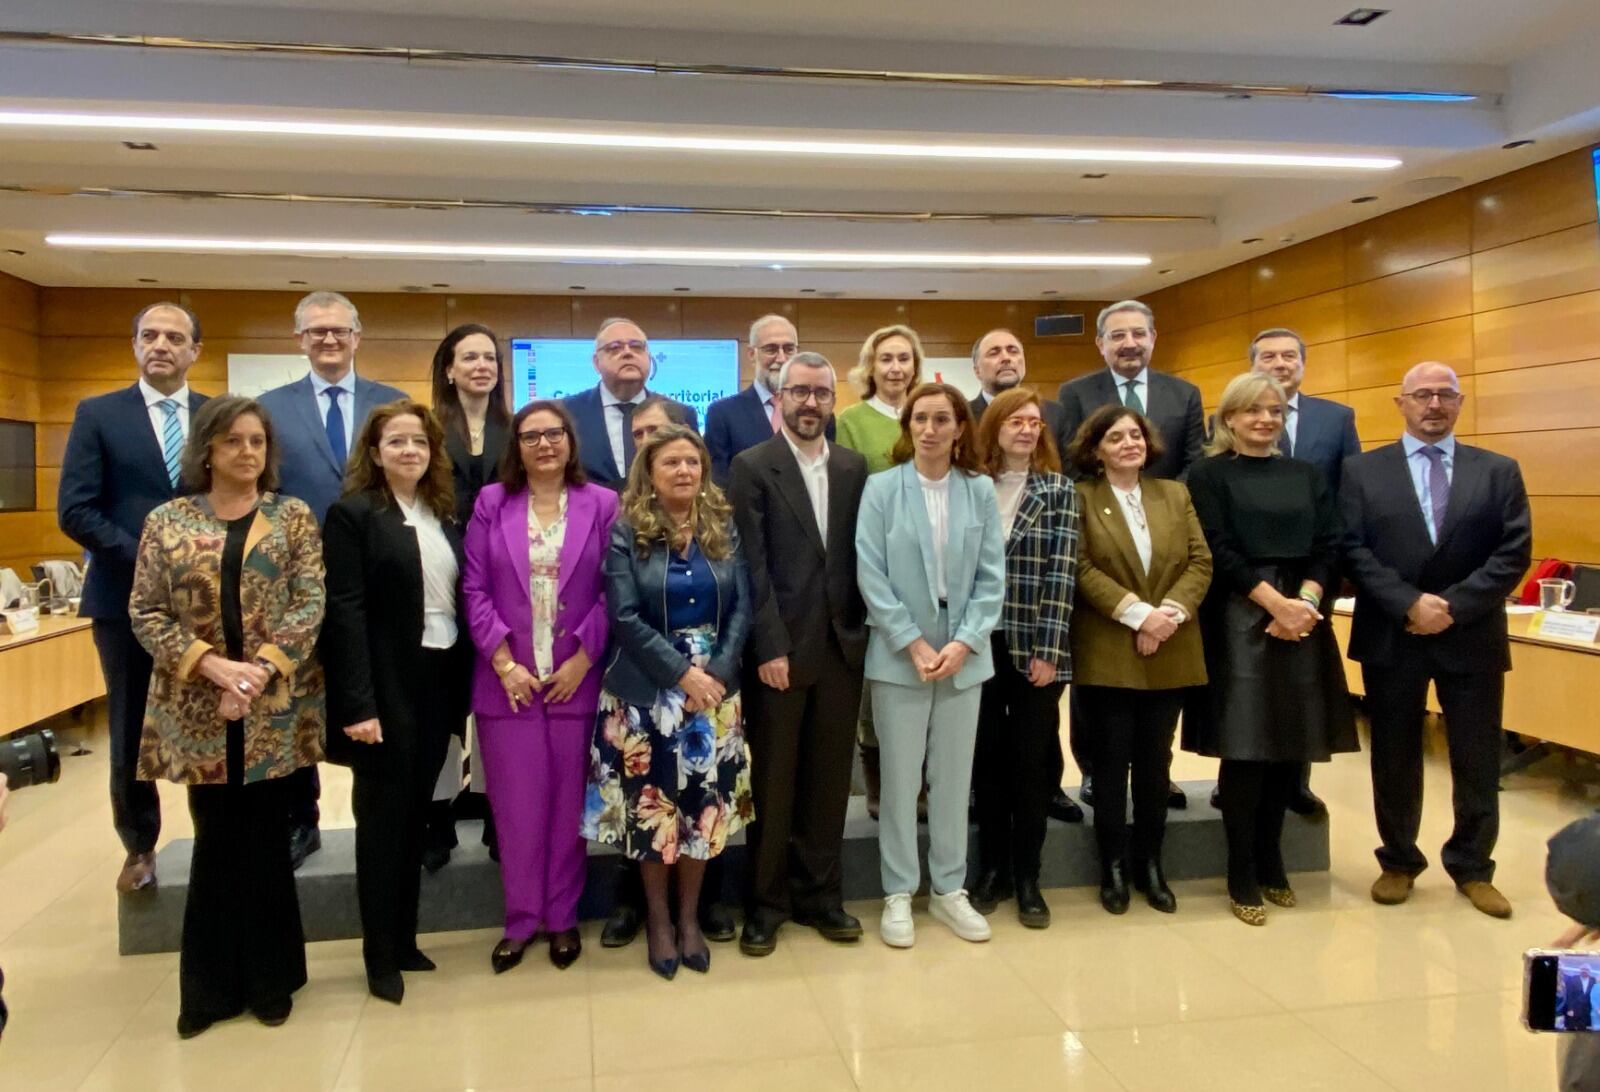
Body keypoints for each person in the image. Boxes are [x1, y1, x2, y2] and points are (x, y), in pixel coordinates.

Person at [128, 396, 325, 1038]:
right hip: (198, 707)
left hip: (271, 708)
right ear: (208, 449)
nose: (247, 452)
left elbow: (308, 602)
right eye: (234, 441)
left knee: (268, 844)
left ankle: (273, 983)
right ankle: (208, 991)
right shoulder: (168, 520)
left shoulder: (291, 516)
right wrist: (212, 666)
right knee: (215, 844)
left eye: (257, 442)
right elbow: (146, 611)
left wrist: (259, 670)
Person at [1340, 361, 1531, 919]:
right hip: (1391, 632)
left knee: (1476, 756)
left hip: (1470, 633)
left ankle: (1473, 866)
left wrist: (1453, 607)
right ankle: (1398, 861)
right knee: (1394, 754)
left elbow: (1514, 550)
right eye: (1422, 394)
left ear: (1460, 403)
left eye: (1445, 394)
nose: (1434, 404)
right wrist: (1409, 603)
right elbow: (1353, 549)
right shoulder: (1361, 471)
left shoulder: (1497, 471)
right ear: (1400, 402)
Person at [1182, 372, 1357, 926]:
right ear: (1228, 418)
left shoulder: (1305, 474)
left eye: (1274, 411)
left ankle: (1273, 856)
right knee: (1249, 748)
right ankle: (1241, 868)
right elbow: (1217, 547)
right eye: (1252, 411)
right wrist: (1273, 605)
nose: (1264, 420)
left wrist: (1304, 600)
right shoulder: (1208, 475)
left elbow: (1330, 543)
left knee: (1292, 748)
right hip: (1239, 616)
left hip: (1305, 612)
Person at [582, 424, 753, 978]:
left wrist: (718, 674)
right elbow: (624, 616)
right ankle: (657, 920)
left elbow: (744, 609)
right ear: (649, 475)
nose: (684, 471)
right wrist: (682, 674)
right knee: (650, 811)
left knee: (703, 812)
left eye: (692, 462)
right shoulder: (627, 530)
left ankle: (689, 919)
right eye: (671, 463)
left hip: (714, 695)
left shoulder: (722, 527)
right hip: (646, 691)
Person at [57, 302, 210, 895]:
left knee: (210, 721)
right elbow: (75, 508)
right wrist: (149, 559)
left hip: (204, 604)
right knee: (129, 727)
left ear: (195, 350)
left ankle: (214, 837)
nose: (161, 346)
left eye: (175, 337)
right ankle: (139, 847)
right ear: (134, 345)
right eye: (149, 335)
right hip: (123, 601)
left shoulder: (214, 417)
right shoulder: (99, 414)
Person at [321, 401, 471, 1004]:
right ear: (375, 452)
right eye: (397, 441)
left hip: (440, 676)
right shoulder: (353, 514)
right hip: (385, 685)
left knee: (415, 814)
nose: (410, 451)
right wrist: (358, 704)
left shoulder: (440, 514)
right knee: (382, 821)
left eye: (419, 442)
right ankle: (379, 956)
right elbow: (345, 612)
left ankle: (405, 939)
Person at [463, 400, 618, 974]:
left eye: (554, 434)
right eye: (531, 436)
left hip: (575, 678)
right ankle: (521, 919)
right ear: (517, 447)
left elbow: (613, 590)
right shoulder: (491, 503)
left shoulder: (602, 504)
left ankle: (561, 918)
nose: (544, 444)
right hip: (510, 685)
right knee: (518, 809)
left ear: (570, 442)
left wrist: (584, 656)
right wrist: (504, 662)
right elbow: (475, 589)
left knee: (566, 808)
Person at [258, 290, 405, 869]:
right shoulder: (269, 409)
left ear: (357, 337)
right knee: (295, 698)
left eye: (339, 330)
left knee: (380, 692)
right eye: (316, 331)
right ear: (299, 339)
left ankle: (393, 814)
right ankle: (302, 817)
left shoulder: (390, 402)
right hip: (296, 582)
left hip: (380, 579)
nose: (328, 339)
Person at [728, 352, 869, 956]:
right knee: (775, 781)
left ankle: (821, 897)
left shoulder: (854, 466)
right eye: (798, 393)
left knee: (829, 781)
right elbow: (749, 566)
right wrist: (769, 645)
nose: (810, 403)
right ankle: (767, 904)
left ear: (833, 401)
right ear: (778, 398)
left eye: (820, 393)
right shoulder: (752, 466)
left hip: (842, 648)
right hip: (780, 653)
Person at [856, 381, 1005, 948]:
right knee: (898, 778)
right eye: (920, 419)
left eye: (942, 419)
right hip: (902, 652)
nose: (930, 429)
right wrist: (912, 642)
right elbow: (870, 573)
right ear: (907, 426)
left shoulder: (979, 490)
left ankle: (948, 889)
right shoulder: (883, 489)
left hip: (963, 652)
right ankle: (899, 891)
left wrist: (964, 642)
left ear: (960, 428)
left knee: (951, 777)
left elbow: (993, 577)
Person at [1058, 300, 1203, 815]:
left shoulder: (1183, 394)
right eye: (1117, 335)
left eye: (1138, 333)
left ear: (1153, 337)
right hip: (1103, 548)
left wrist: (1159, 507)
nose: (1129, 342)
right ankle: (1095, 772)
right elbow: (1069, 465)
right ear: (1100, 343)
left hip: (1165, 547)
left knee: (1159, 700)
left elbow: (1192, 466)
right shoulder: (1075, 393)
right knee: (1097, 699)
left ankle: (1157, 776)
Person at [1067, 405, 1212, 915]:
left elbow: (1200, 561)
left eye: (1135, 435)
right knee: (1109, 767)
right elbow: (1080, 567)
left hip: (1170, 645)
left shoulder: (1174, 493)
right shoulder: (1080, 497)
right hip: (1108, 648)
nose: (1128, 443)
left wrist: (1166, 616)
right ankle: (1112, 867)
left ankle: (1150, 864)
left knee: (1156, 765)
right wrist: (1138, 617)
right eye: (1115, 437)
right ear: (1096, 449)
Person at [1231, 326, 1362, 819]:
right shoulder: (1226, 436)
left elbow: (1350, 497)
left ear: (1303, 364)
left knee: (1301, 692)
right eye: (1268, 356)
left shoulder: (1335, 418)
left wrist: (1312, 592)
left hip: (1312, 579)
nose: (1280, 364)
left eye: (1289, 356)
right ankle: (1245, 777)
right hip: (1246, 587)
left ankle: (1297, 783)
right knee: (1250, 697)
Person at [968, 387, 1078, 927]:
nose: (1027, 429)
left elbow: (1062, 574)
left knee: (1032, 763)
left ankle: (1028, 876)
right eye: (1015, 421)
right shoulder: (971, 487)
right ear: (994, 427)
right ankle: (991, 869)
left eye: (1034, 422)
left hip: (1037, 647)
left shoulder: (1058, 490)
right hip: (977, 644)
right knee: (986, 762)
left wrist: (1050, 650)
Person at [424, 323, 514, 871]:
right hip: (442, 581)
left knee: (501, 709)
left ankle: (499, 818)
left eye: (490, 357)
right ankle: (436, 822)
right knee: (445, 712)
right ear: (449, 368)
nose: (482, 365)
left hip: (505, 585)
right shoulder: (429, 429)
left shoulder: (518, 427)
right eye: (469, 357)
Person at [835, 324, 926, 820]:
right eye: (886, 359)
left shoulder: (929, 412)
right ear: (870, 367)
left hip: (932, 565)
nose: (895, 368)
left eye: (904, 359)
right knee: (880, 680)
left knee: (928, 675)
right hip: (875, 566)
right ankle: (878, 782)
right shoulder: (851, 420)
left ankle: (923, 783)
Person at [561, 317, 699, 488]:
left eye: (636, 347)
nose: (628, 353)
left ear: (648, 358)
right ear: (596, 363)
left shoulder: (681, 413)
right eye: (614, 348)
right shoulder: (566, 412)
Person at [706, 314, 835, 484]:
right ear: (752, 354)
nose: (781, 358)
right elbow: (718, 484)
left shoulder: (817, 414)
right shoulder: (723, 414)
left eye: (789, 349)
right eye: (771, 349)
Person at [968, 327, 1067, 440]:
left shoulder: (1054, 413)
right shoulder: (963, 416)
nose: (1006, 358)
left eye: (1013, 351)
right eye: (994, 353)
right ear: (977, 371)